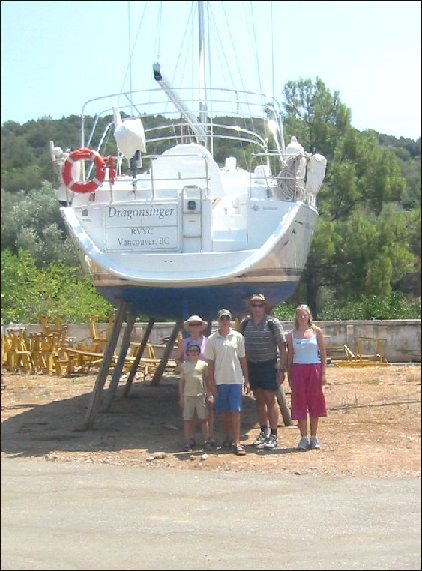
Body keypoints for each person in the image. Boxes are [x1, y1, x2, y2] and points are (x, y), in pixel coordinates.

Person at [240, 293, 287, 450]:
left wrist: (282, 369)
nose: (257, 308)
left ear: (265, 306)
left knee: (270, 399)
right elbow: (241, 348)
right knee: (258, 400)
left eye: (260, 305)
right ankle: (263, 431)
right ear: (250, 307)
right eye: (254, 305)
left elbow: (282, 346)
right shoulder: (245, 323)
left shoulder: (272, 323)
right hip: (253, 365)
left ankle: (274, 434)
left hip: (269, 365)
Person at [204, 309, 250, 456]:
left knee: (235, 411)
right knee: (223, 411)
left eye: (227, 318)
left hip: (235, 379)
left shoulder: (238, 337)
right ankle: (227, 438)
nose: (224, 320)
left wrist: (246, 379)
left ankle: (237, 441)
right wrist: (211, 382)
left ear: (230, 320)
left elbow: (243, 359)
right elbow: (210, 363)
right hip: (220, 379)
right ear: (218, 320)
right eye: (222, 318)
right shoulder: (212, 339)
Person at [286, 304, 327, 451]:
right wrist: (289, 373)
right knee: (300, 403)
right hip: (298, 369)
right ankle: (303, 438)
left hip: (314, 368)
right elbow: (290, 354)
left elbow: (322, 352)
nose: (302, 317)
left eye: (305, 314)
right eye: (299, 315)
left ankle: (314, 437)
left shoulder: (317, 332)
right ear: (296, 317)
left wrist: (323, 373)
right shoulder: (291, 335)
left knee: (315, 402)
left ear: (309, 315)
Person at [175, 314, 215, 445]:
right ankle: (190, 439)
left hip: (205, 374)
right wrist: (183, 368)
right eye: (192, 324)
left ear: (201, 327)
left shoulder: (207, 341)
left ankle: (209, 437)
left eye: (197, 324)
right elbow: (178, 358)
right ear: (189, 327)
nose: (195, 327)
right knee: (189, 414)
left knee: (207, 409)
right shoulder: (185, 342)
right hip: (190, 374)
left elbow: (211, 358)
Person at [178, 342, 212, 452]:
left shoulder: (203, 365)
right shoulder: (184, 366)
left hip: (200, 395)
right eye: (191, 351)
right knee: (188, 419)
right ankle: (189, 440)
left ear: (199, 353)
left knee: (203, 419)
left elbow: (207, 380)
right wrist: (181, 397)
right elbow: (182, 382)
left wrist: (209, 394)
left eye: (196, 351)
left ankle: (207, 440)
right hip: (188, 396)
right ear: (187, 353)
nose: (194, 353)